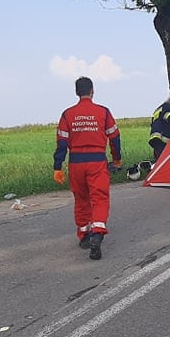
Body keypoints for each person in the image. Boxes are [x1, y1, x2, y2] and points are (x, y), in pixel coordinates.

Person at [53, 76, 122, 260]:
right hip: (97, 162)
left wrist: (57, 167)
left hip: (76, 163)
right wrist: (117, 160)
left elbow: (61, 143)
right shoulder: (103, 112)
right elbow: (114, 138)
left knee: (81, 198)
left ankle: (84, 236)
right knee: (99, 198)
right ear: (92, 91)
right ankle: (97, 234)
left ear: (77, 92)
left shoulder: (67, 115)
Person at [148, 93, 170, 161]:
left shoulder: (159, 108)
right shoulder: (168, 105)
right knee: (163, 157)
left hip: (156, 135)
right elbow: (166, 115)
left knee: (159, 155)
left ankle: (157, 165)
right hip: (162, 136)